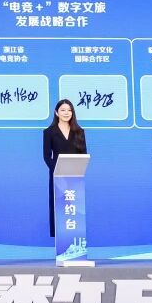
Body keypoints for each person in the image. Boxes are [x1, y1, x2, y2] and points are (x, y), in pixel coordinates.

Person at [43, 99, 87, 238]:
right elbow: (46, 156)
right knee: (59, 206)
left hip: (75, 177)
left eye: (69, 110)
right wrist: (56, 171)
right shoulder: (49, 132)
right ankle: (60, 238)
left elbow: (83, 154)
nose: (66, 113)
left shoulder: (79, 131)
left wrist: (79, 169)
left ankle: (75, 238)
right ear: (56, 112)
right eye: (63, 110)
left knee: (75, 207)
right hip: (57, 176)